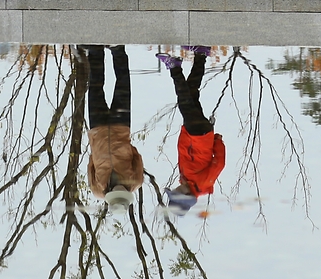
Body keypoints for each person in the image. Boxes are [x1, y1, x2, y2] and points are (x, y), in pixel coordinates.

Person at [156, 46, 225, 217]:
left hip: (192, 133)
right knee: (184, 100)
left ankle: (201, 54)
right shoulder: (202, 183)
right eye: (177, 191)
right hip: (199, 134)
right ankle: (174, 67)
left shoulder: (185, 180)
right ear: (186, 195)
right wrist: (216, 140)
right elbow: (219, 163)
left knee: (191, 93)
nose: (176, 187)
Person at [81, 45, 144, 214]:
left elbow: (90, 166)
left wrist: (97, 148)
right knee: (123, 86)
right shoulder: (136, 181)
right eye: (121, 194)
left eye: (115, 194)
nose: (118, 189)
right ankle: (118, 50)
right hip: (120, 127)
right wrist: (124, 145)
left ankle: (95, 52)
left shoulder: (97, 189)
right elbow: (137, 158)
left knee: (94, 87)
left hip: (97, 129)